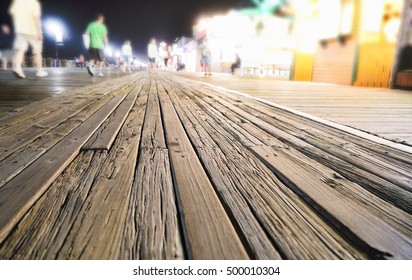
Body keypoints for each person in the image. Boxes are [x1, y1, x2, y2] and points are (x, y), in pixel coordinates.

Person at [8, 0, 47, 78]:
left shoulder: (17, 2)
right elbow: (37, 18)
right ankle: (40, 71)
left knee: (20, 50)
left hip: (20, 30)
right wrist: (39, 32)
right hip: (33, 31)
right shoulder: (33, 2)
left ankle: (17, 67)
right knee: (37, 51)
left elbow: (14, 14)